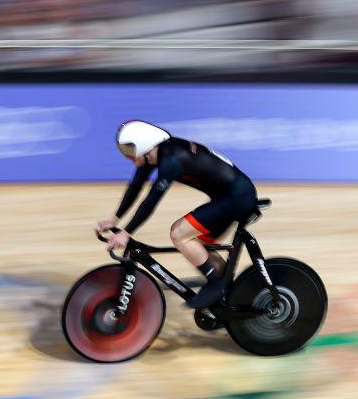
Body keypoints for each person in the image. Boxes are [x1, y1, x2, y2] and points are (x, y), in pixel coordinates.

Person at [96, 120, 258, 309]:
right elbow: (135, 187)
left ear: (143, 144)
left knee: (179, 233)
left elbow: (151, 200)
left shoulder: (172, 158)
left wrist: (127, 232)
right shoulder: (154, 154)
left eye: (129, 150)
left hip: (237, 197)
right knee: (201, 249)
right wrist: (115, 219)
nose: (127, 156)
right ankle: (227, 298)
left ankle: (217, 285)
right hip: (230, 196)